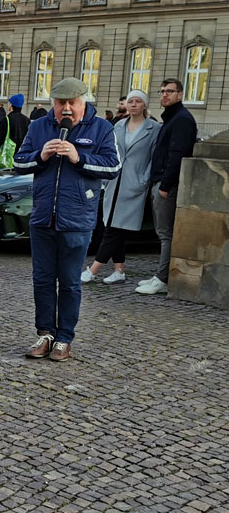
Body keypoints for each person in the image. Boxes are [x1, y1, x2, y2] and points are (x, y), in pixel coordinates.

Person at [14, 78, 120, 362]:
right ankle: (45, 334)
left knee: (70, 282)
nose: (66, 109)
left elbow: (113, 167)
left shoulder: (101, 128)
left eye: (72, 103)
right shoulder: (39, 126)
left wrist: (78, 157)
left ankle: (64, 339)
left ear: (83, 102)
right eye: (61, 103)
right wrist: (41, 155)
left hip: (77, 219)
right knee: (42, 280)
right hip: (42, 217)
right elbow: (19, 161)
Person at [82, 90, 159, 285]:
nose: (133, 104)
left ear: (144, 105)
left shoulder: (154, 129)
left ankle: (93, 270)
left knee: (114, 229)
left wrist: (144, 180)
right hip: (114, 181)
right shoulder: (118, 126)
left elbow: (154, 158)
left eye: (138, 101)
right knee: (113, 225)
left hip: (134, 184)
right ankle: (119, 270)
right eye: (130, 101)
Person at [136, 78, 197, 295]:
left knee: (165, 233)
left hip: (166, 184)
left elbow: (177, 155)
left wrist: (165, 185)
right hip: (161, 181)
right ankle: (161, 275)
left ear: (180, 94)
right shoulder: (172, 117)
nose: (164, 95)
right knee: (162, 232)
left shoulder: (181, 119)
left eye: (169, 91)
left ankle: (163, 278)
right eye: (162, 91)